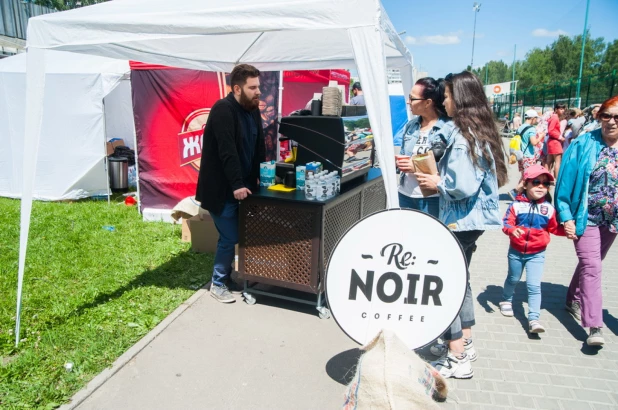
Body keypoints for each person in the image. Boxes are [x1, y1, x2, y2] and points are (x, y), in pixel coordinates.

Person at [416, 71, 508, 379]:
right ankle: (464, 340)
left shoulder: (465, 136)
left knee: (449, 283)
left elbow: (462, 185)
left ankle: (456, 354)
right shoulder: (473, 130)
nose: (444, 101)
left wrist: (436, 180)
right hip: (470, 221)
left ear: (461, 99)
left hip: (460, 220)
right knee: (461, 279)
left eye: (447, 96)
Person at [195, 64, 266, 303]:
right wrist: (236, 184)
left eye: (259, 86)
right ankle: (217, 283)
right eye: (253, 87)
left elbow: (259, 147)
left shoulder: (252, 109)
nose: (258, 91)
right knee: (230, 236)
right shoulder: (223, 110)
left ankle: (227, 277)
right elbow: (227, 152)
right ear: (237, 88)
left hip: (244, 188)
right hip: (223, 190)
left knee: (235, 236)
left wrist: (262, 175)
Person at [555, 95, 618, 346]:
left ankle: (572, 298)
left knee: (591, 262)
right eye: (607, 116)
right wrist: (566, 216)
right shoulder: (584, 144)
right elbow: (564, 185)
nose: (612, 122)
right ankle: (594, 325)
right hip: (586, 217)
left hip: (612, 221)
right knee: (592, 267)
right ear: (598, 117)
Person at [500, 165, 565, 333]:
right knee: (513, 279)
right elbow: (506, 223)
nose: (541, 187)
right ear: (526, 184)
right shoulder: (516, 205)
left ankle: (534, 319)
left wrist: (570, 232)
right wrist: (513, 230)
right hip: (516, 251)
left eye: (545, 184)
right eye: (536, 182)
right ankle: (506, 299)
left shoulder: (549, 209)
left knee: (534, 286)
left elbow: (554, 228)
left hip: (537, 253)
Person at [396, 77, 450, 217]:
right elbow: (404, 154)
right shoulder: (411, 125)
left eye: (412, 99)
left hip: (432, 198)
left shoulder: (447, 128)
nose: (408, 102)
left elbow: (450, 165)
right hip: (405, 194)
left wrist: (416, 165)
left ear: (427, 103)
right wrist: (399, 162)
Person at [546, 103, 566, 179]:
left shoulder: (553, 117)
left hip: (551, 141)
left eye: (563, 109)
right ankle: (557, 179)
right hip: (555, 141)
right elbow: (551, 130)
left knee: (549, 161)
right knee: (558, 161)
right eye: (561, 109)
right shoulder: (555, 118)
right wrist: (560, 137)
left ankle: (547, 178)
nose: (563, 111)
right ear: (556, 109)